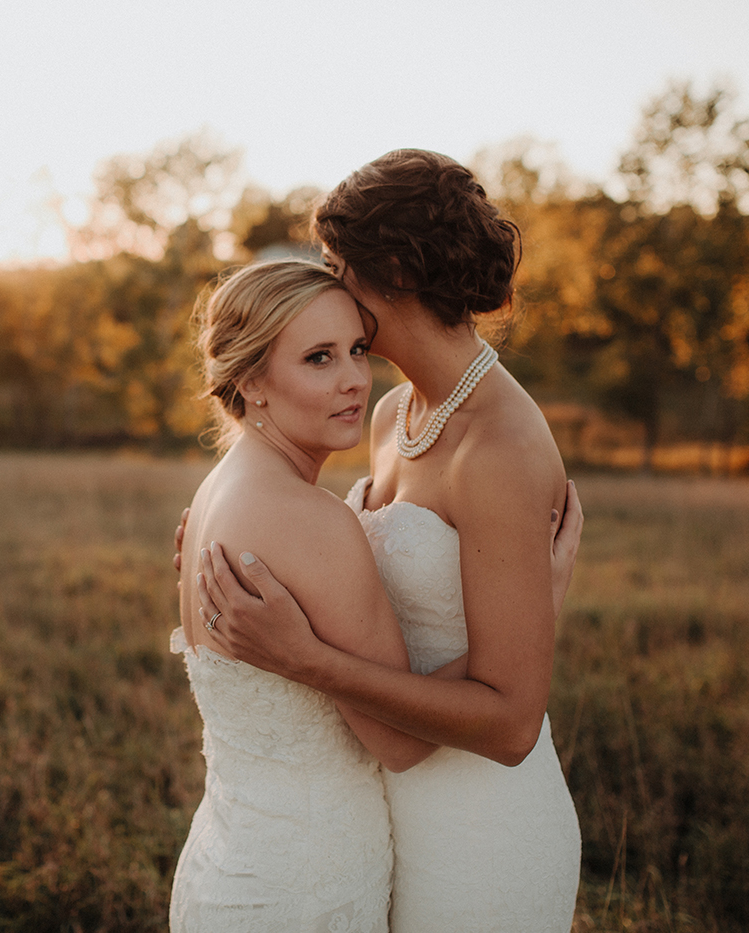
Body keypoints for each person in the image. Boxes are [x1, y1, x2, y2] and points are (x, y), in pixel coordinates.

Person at [192, 149, 584, 932]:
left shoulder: (497, 449)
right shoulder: (390, 414)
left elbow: (510, 724)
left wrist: (308, 660)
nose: (331, 282)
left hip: (479, 826)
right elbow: (350, 567)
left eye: (340, 264)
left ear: (396, 270)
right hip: (383, 808)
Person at [169, 258, 442, 932]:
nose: (354, 377)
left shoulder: (219, 490)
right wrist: (523, 623)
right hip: (306, 887)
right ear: (252, 382)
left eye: (356, 349)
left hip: (226, 864)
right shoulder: (310, 518)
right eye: (318, 358)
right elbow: (402, 743)